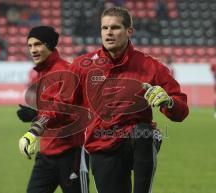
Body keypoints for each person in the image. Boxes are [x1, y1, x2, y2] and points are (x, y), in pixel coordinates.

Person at [61, 7, 188, 193]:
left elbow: (181, 111)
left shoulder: (150, 66)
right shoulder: (82, 66)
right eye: (104, 28)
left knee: (143, 131)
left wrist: (169, 102)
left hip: (135, 143)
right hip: (101, 144)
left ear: (129, 31)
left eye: (115, 28)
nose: (109, 33)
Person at [18, 26, 88, 193]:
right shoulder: (40, 73)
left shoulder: (66, 71)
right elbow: (51, 111)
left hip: (71, 154)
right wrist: (35, 114)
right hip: (46, 154)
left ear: (49, 45)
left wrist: (34, 131)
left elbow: (60, 109)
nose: (33, 50)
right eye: (30, 46)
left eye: (38, 44)